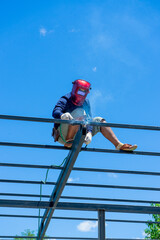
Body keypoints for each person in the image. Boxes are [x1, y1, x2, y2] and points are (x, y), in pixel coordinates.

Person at [52, 79, 137, 151]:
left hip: (79, 131)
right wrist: (62, 115)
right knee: (79, 112)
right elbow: (55, 111)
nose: (81, 95)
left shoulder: (86, 102)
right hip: (63, 133)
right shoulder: (66, 99)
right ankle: (69, 141)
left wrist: (89, 132)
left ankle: (118, 145)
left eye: (84, 92)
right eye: (80, 91)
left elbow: (89, 119)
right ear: (75, 89)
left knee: (99, 120)